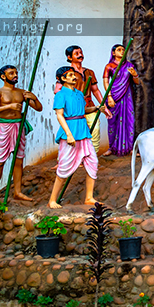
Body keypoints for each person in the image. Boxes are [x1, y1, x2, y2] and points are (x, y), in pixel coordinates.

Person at [0, 65, 42, 202]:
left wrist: (34, 98)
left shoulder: (22, 92)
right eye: (11, 73)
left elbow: (38, 108)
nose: (15, 75)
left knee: (18, 160)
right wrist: (9, 106)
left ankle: (17, 192)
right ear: (3, 76)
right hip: (2, 127)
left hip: (18, 126)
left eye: (16, 73)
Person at [48, 66, 103, 209]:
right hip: (70, 132)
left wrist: (96, 108)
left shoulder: (79, 93)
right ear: (62, 79)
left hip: (83, 132)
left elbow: (83, 110)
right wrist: (68, 134)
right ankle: (52, 200)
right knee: (64, 166)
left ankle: (89, 197)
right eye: (70, 75)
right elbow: (60, 115)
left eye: (74, 75)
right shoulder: (60, 95)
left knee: (93, 162)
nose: (74, 77)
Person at [58, 45, 106, 152]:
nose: (80, 55)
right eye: (76, 53)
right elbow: (58, 91)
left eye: (81, 52)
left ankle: (91, 156)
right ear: (69, 57)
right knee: (74, 132)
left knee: (95, 129)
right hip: (74, 109)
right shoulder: (67, 73)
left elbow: (95, 91)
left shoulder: (89, 72)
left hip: (89, 105)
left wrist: (104, 106)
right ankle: (70, 158)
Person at [103, 44, 138, 157]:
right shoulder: (109, 66)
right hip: (114, 96)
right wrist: (109, 96)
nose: (122, 51)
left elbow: (136, 82)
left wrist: (135, 75)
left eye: (123, 50)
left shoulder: (129, 66)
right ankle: (111, 147)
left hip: (127, 97)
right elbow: (106, 82)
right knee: (112, 122)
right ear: (113, 53)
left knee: (129, 121)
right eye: (119, 50)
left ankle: (130, 147)